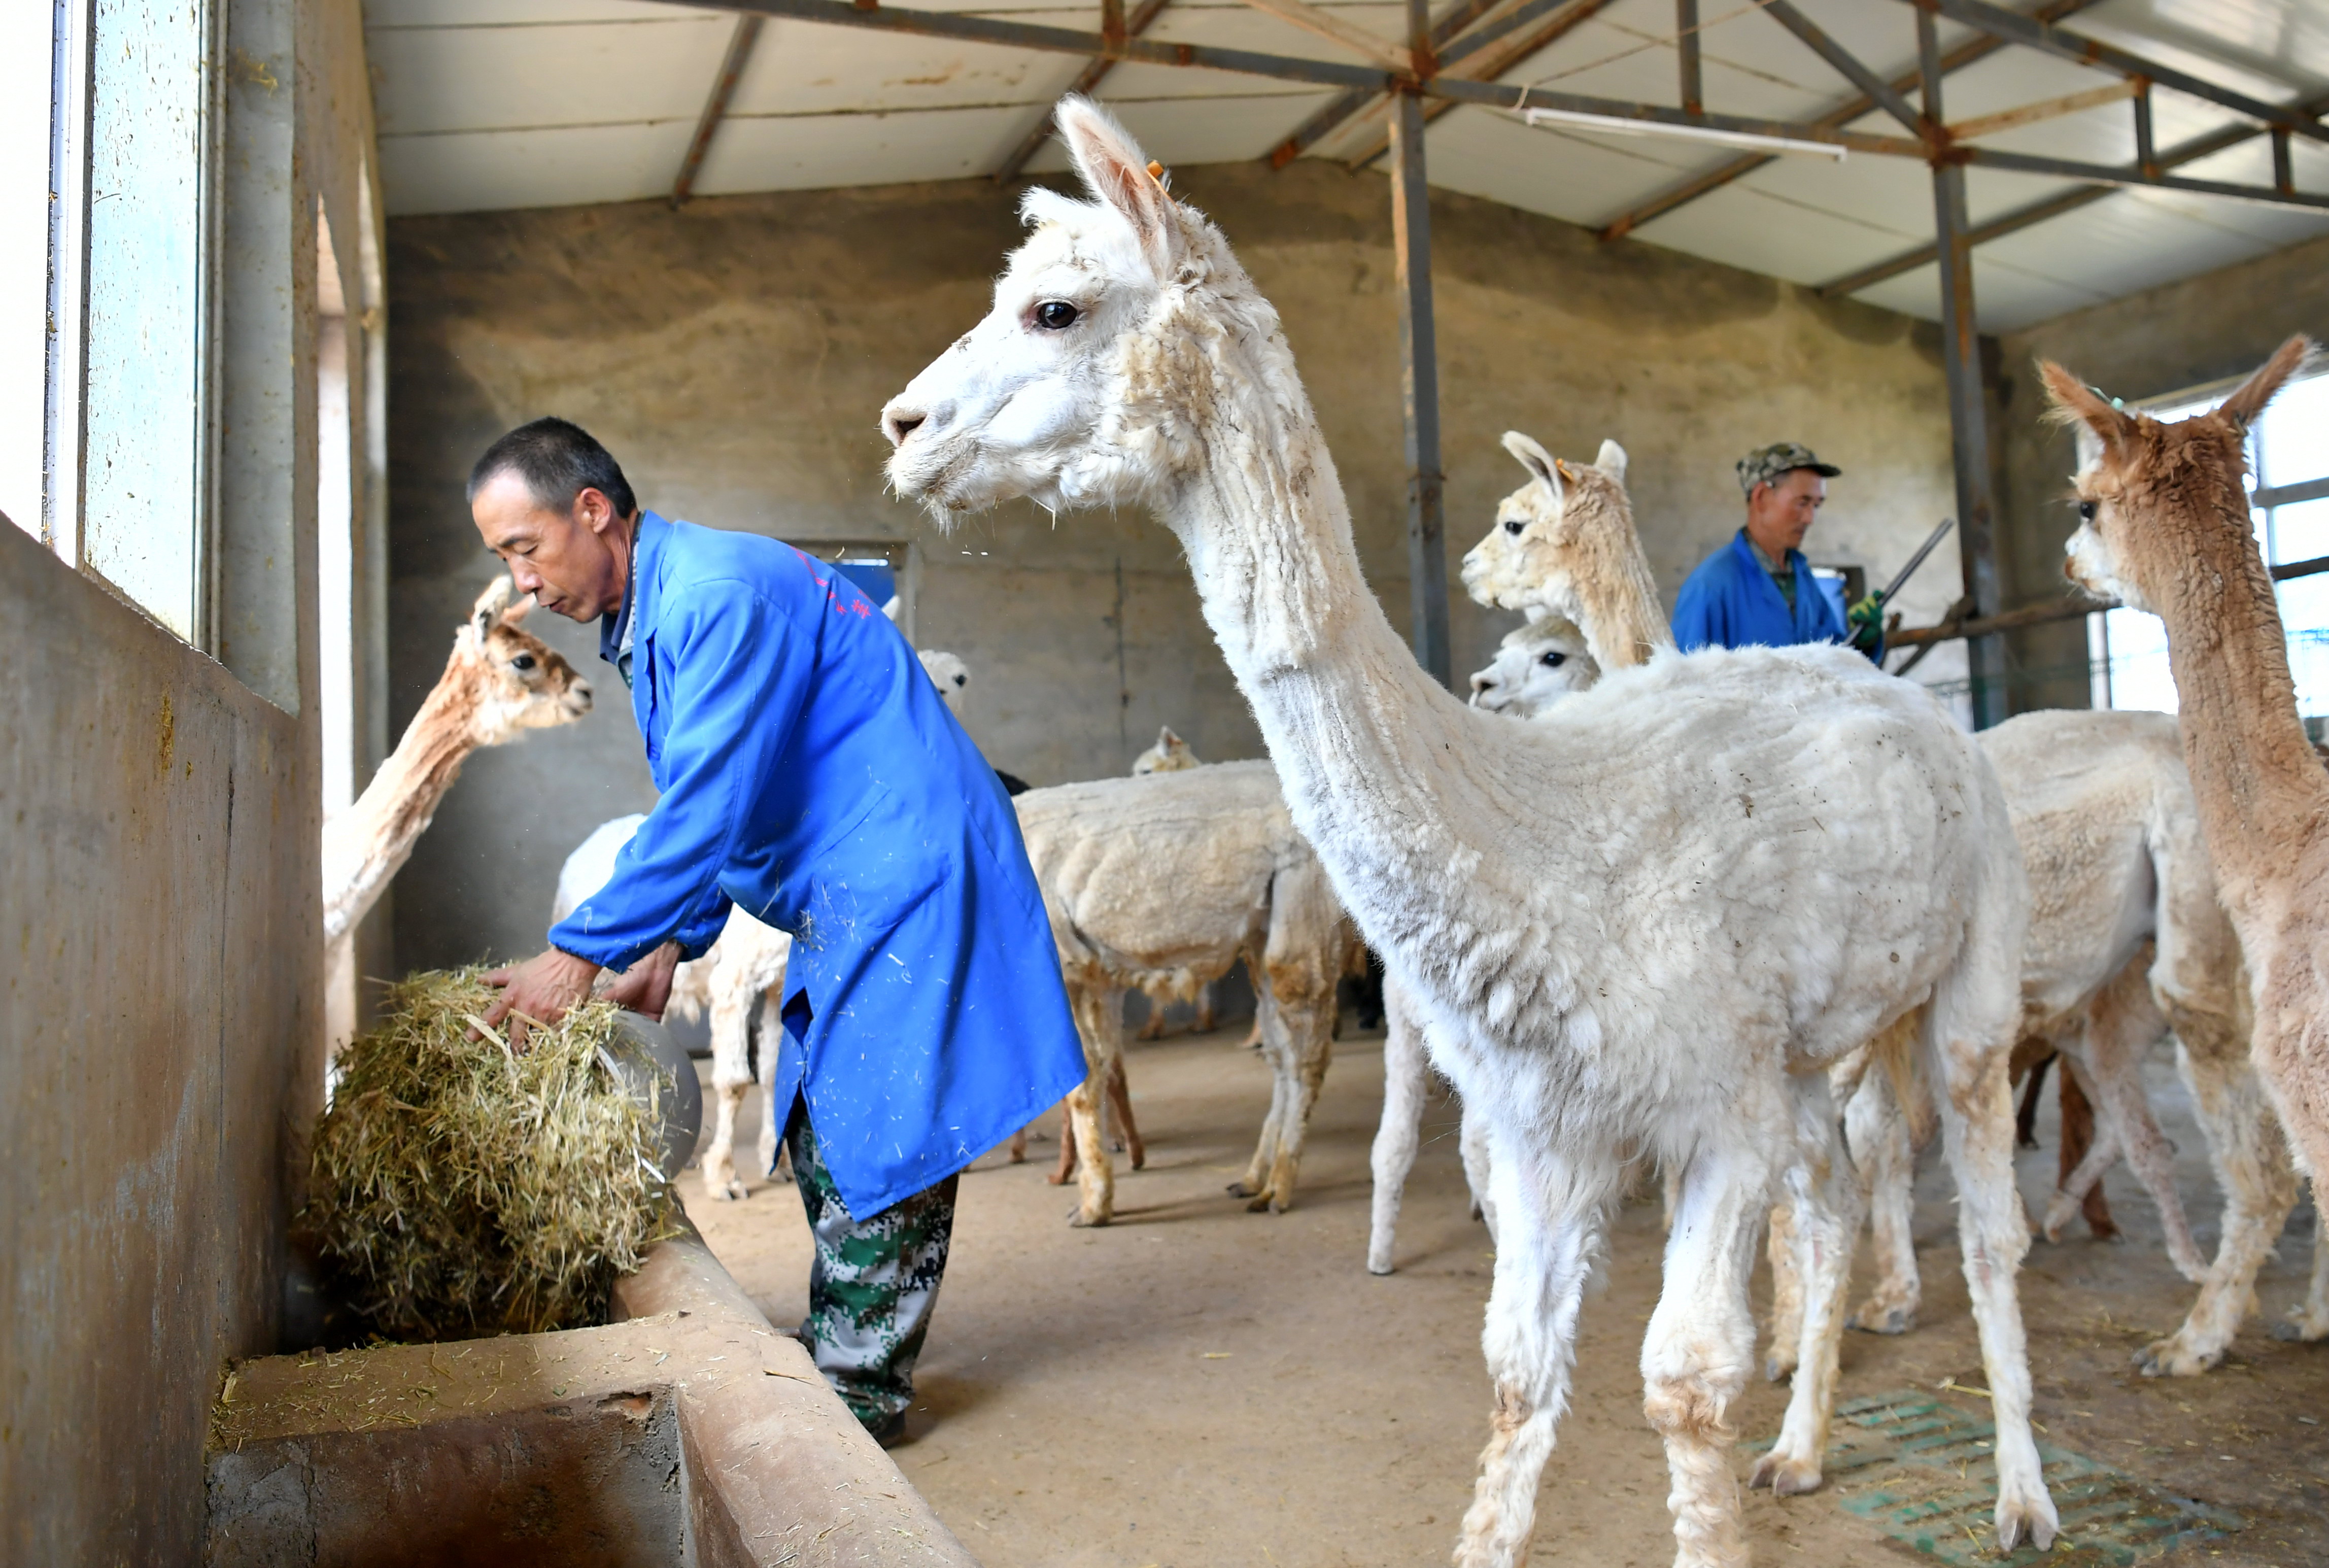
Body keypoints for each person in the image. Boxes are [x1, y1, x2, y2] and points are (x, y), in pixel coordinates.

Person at [468, 417, 1083, 1445]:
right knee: (820, 1122)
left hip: (905, 870)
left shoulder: (714, 593)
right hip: (857, 878)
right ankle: (847, 1352)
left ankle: (860, 1394)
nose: (524, 584)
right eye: (505, 562)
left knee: (877, 1132)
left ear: (591, 511)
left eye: (523, 549)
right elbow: (734, 797)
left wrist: (577, 954)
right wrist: (669, 939)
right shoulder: (659, 612)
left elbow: (706, 803)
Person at [1671, 442, 1883, 662]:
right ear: (1761, 496)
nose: (1810, 519)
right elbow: (1687, 686)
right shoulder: (1711, 585)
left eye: (1817, 505)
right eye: (1802, 503)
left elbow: (1830, 660)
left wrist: (1862, 641)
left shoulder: (1802, 579)